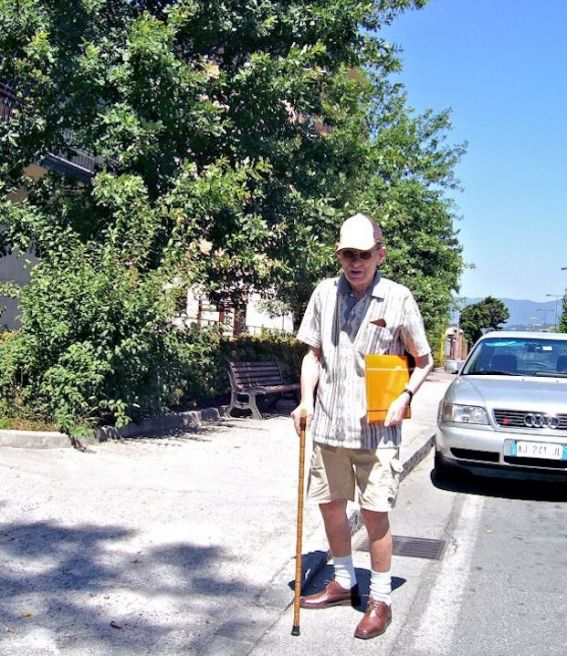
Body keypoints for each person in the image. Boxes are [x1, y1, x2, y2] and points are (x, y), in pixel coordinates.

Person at [291, 212, 433, 640]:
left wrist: (405, 396)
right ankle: (343, 581)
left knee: (374, 517)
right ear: (339, 254)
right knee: (331, 507)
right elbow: (313, 354)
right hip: (329, 426)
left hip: (376, 431)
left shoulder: (398, 299)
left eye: (364, 254)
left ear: (379, 254)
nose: (356, 262)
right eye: (348, 254)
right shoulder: (323, 294)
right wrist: (303, 400)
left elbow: (423, 360)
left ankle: (381, 599)